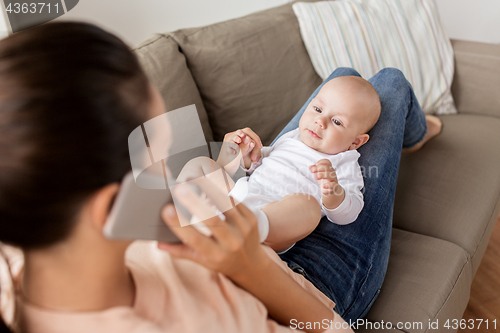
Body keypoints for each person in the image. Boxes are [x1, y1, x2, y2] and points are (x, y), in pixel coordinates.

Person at [0, 21, 441, 333]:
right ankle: (419, 131)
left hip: (253, 206)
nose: (171, 158)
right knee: (392, 84)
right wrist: (253, 267)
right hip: (304, 273)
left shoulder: (19, 256)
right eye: (161, 145)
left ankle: (410, 129)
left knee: (346, 79)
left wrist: (238, 163)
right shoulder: (204, 317)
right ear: (106, 205)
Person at [178, 76, 382, 253]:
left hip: (271, 222)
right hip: (236, 198)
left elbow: (350, 213)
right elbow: (262, 162)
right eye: (317, 109)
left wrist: (334, 193)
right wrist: (248, 156)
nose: (320, 121)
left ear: (355, 142)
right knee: (202, 164)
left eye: (337, 122)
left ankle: (246, 229)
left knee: (308, 207)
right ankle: (182, 207)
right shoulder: (292, 137)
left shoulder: (344, 163)